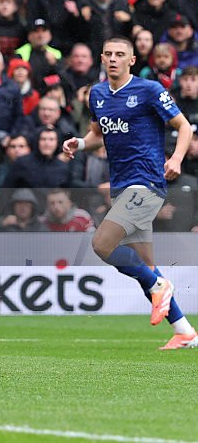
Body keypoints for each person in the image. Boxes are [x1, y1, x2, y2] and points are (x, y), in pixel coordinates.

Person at [63, 37, 196, 349]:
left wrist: (176, 158)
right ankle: (185, 331)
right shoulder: (97, 94)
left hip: (146, 182)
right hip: (121, 185)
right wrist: (79, 143)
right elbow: (98, 134)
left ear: (132, 60)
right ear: (102, 58)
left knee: (101, 244)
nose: (113, 59)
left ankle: (159, 286)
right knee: (145, 266)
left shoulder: (149, 90)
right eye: (108, 54)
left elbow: (184, 126)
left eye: (120, 54)